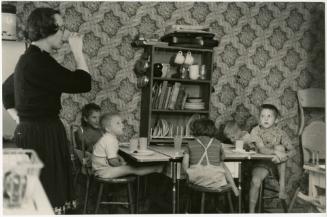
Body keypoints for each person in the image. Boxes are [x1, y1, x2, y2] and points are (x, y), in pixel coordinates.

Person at [2, 7, 91, 214]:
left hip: (34, 132)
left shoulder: (29, 59)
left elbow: (5, 91)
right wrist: (77, 50)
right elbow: (83, 83)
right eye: (61, 29)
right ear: (46, 30)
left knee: (30, 201)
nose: (65, 34)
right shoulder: (39, 61)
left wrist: (22, 120)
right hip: (43, 135)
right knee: (42, 201)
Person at [248, 104, 296, 213]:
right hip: (260, 162)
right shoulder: (256, 130)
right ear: (259, 118)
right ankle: (251, 213)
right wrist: (276, 152)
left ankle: (282, 187)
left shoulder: (280, 132)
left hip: (276, 164)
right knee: (255, 181)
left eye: (269, 116)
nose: (265, 119)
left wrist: (282, 156)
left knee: (281, 147)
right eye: (262, 116)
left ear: (276, 119)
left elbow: (293, 150)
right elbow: (261, 149)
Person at [92, 113, 162, 179]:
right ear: (108, 129)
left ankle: (154, 169)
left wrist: (120, 159)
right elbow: (112, 161)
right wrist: (121, 165)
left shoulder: (108, 138)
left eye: (121, 122)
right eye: (118, 123)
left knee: (130, 166)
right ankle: (155, 169)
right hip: (104, 172)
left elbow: (110, 154)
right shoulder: (110, 140)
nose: (122, 125)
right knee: (132, 168)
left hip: (101, 170)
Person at [182, 118, 239, 196]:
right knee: (222, 165)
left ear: (195, 130)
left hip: (196, 180)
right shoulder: (218, 143)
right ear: (212, 130)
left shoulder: (190, 144)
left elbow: (184, 164)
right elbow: (223, 158)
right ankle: (234, 187)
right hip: (216, 180)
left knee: (191, 172)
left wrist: (188, 175)